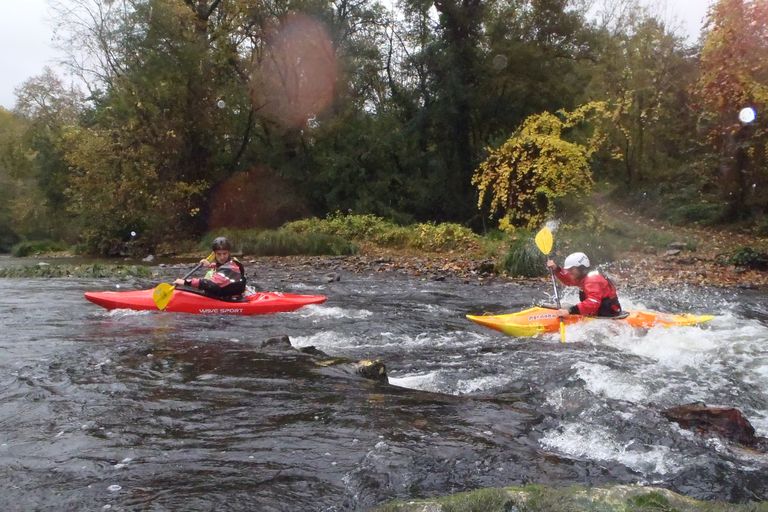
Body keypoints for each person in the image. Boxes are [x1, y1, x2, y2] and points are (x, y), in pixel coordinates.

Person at [545, 252, 622, 318]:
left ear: (581, 268)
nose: (569, 272)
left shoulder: (593, 279)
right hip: (597, 310)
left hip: (609, 314)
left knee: (570, 308)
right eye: (568, 270)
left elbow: (592, 303)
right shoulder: (582, 276)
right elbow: (568, 280)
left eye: (571, 269)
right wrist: (556, 269)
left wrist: (570, 311)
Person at [174, 236, 247, 299]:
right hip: (227, 293)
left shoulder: (231, 266)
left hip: (232, 299)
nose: (222, 257)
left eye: (224, 253)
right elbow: (221, 267)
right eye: (219, 254)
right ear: (214, 254)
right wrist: (209, 265)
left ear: (229, 253)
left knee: (206, 285)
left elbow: (210, 284)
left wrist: (186, 282)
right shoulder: (229, 263)